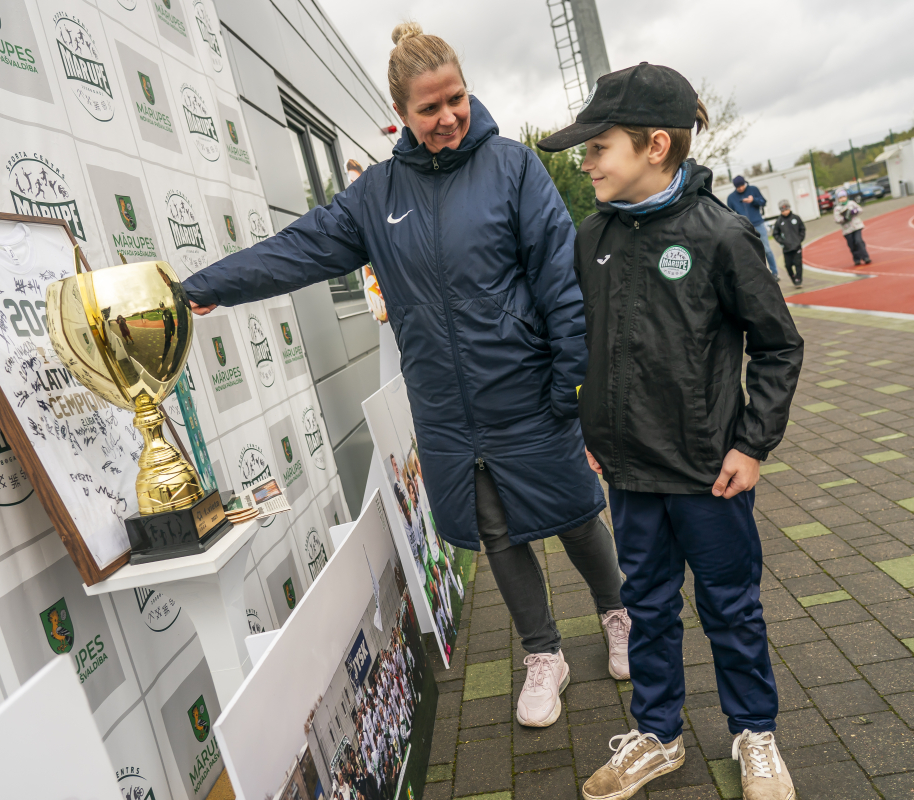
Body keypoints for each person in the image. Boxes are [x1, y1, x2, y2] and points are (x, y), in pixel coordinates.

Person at [180, 22, 630, 727]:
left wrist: (568, 384)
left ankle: (616, 613)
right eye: (430, 108)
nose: (448, 116)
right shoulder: (376, 196)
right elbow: (299, 249)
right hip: (451, 411)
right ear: (404, 115)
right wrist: (213, 285)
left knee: (575, 512)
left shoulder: (514, 168)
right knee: (499, 531)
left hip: (528, 392)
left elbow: (560, 284)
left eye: (456, 98)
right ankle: (544, 654)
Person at [538, 62, 803, 800]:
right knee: (646, 611)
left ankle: (755, 735)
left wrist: (753, 444)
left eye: (598, 146)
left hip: (708, 476)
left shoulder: (724, 236)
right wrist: (592, 423)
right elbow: (582, 341)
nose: (585, 160)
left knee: (730, 609)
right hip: (628, 475)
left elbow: (779, 345)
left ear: (657, 145)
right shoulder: (593, 237)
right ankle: (658, 736)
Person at [726, 175, 779, 280]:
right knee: (752, 252)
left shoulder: (753, 189)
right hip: (744, 227)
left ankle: (775, 272)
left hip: (758, 224)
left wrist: (753, 200)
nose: (740, 188)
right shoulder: (731, 197)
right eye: (738, 187)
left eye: (742, 186)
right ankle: (762, 274)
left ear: (744, 183)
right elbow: (730, 214)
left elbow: (763, 202)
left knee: (766, 249)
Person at [771, 199, 806, 287]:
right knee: (788, 265)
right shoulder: (779, 221)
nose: (785, 212)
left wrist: (799, 239)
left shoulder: (796, 218)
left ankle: (798, 279)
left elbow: (802, 229)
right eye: (783, 210)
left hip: (797, 246)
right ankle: (793, 277)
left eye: (786, 209)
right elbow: (775, 234)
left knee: (798, 263)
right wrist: (782, 242)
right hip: (787, 249)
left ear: (789, 208)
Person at [833, 188, 871, 265]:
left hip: (856, 226)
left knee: (858, 241)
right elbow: (837, 219)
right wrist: (843, 218)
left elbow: (860, 209)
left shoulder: (851, 203)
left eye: (844, 197)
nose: (843, 199)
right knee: (852, 244)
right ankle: (856, 258)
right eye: (840, 198)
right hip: (847, 230)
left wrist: (855, 211)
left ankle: (865, 256)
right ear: (838, 199)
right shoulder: (837, 208)